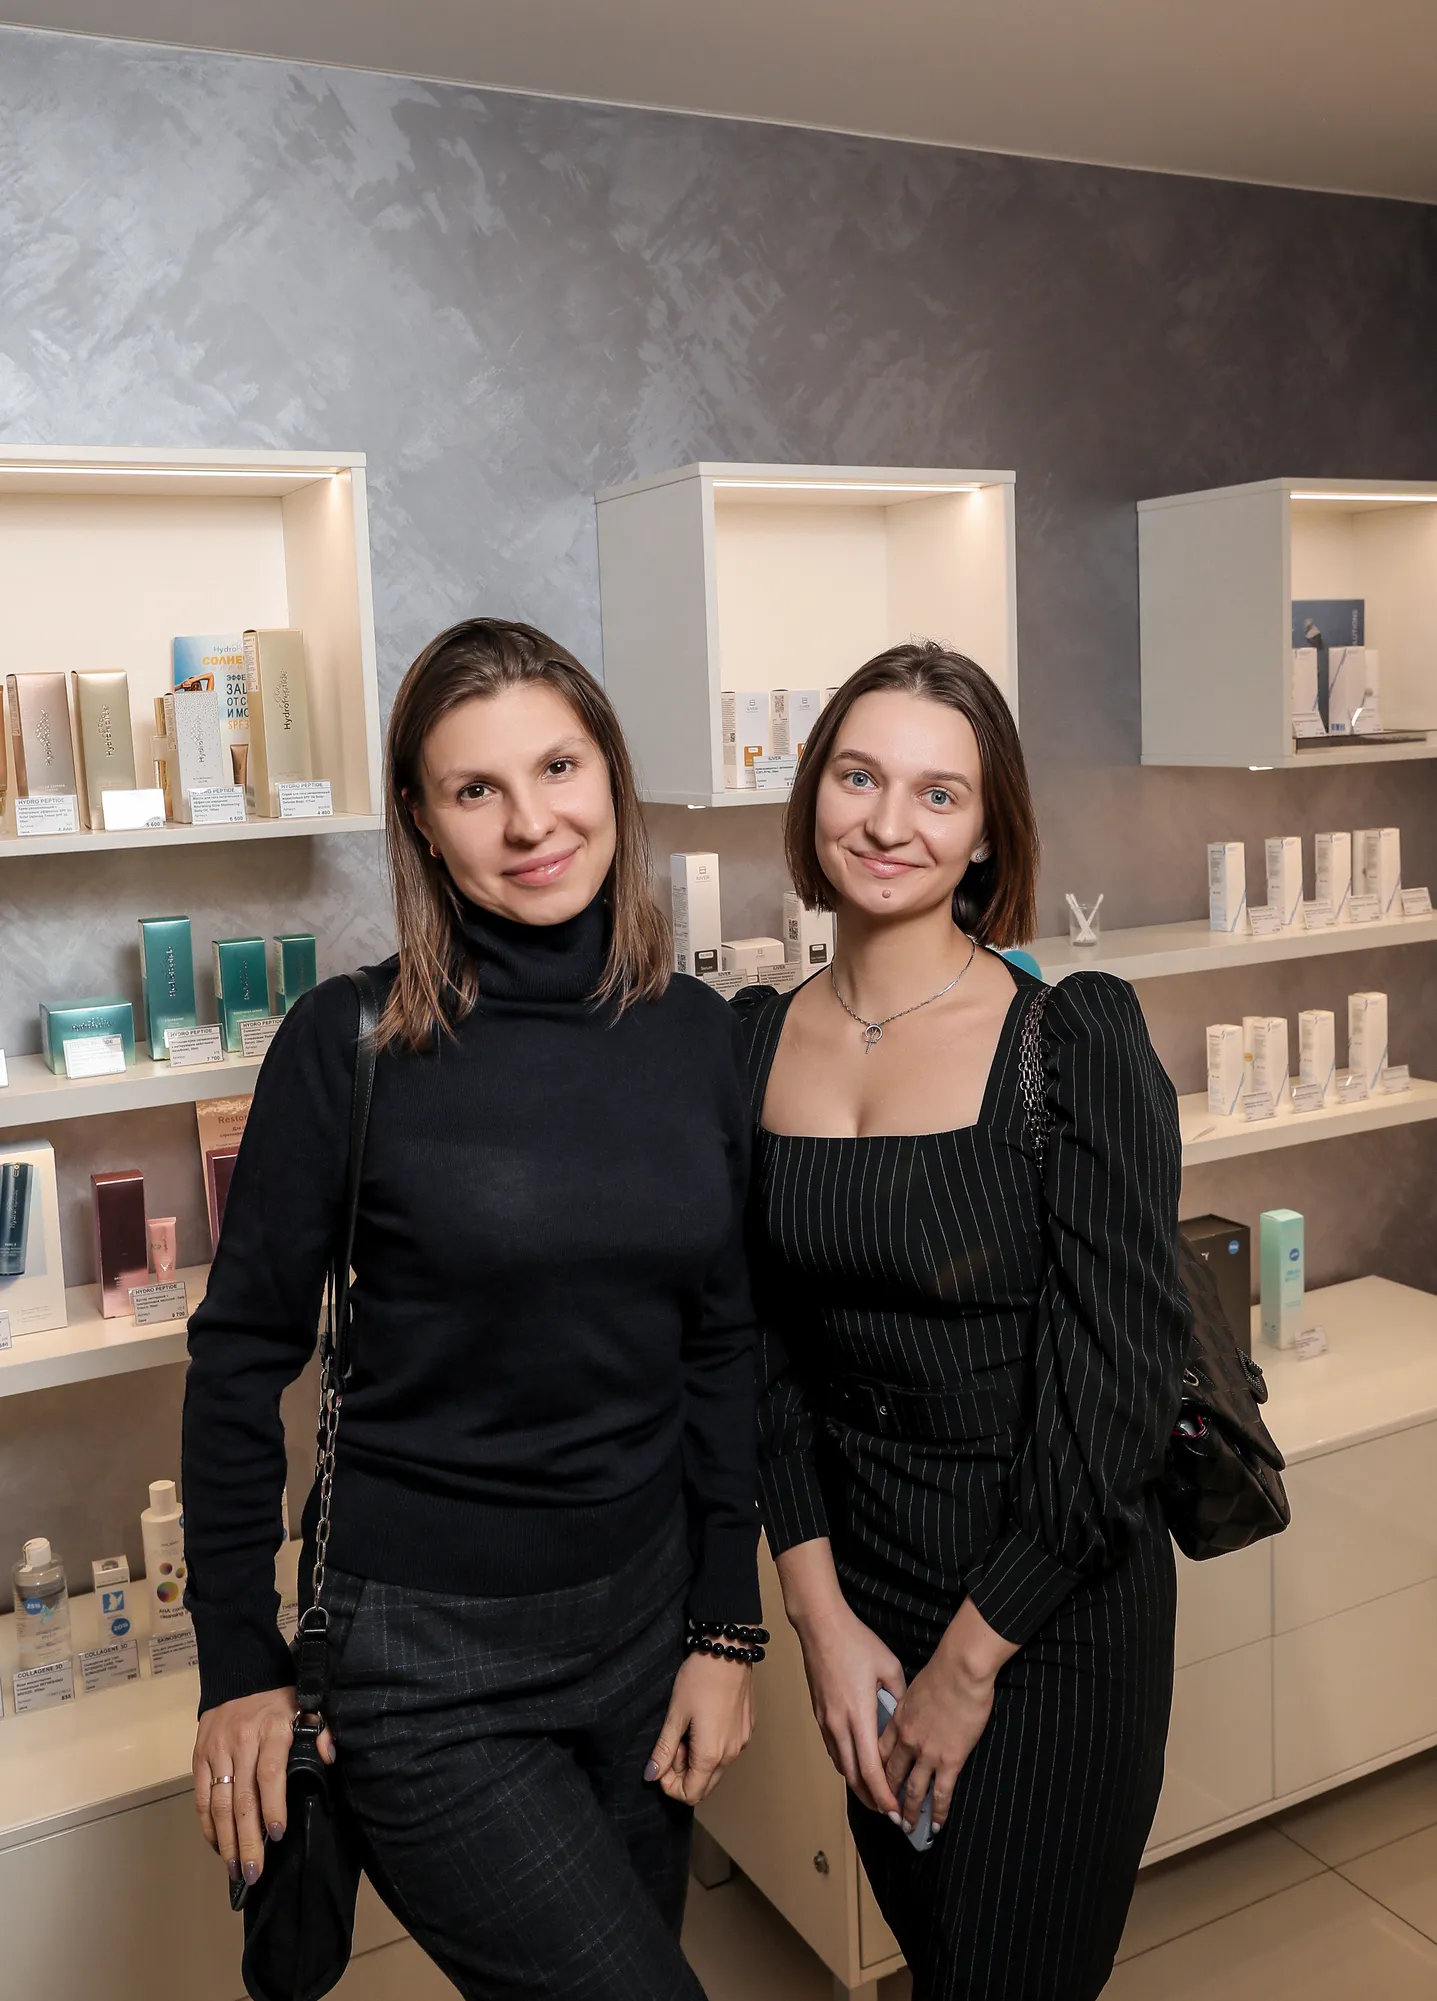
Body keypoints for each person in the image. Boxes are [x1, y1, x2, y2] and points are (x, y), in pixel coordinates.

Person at [183, 618, 764, 2001]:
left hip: (643, 1631)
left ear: (611, 774)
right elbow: (240, 1358)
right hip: (424, 1658)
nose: (530, 824)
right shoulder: (351, 1045)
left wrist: (723, 1629)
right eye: (474, 789)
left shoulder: (699, 1037)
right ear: (422, 827)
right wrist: (238, 1661)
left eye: (558, 767)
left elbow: (721, 1343)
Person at [732, 641, 1188, 2001]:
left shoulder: (1072, 1039)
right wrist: (819, 1616)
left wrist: (972, 1662)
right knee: (940, 1961)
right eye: (859, 778)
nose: (890, 823)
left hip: (1051, 1603)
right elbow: (754, 1355)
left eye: (939, 794)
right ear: (814, 794)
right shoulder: (749, 1043)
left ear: (988, 831)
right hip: (864, 1595)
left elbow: (1119, 1389)